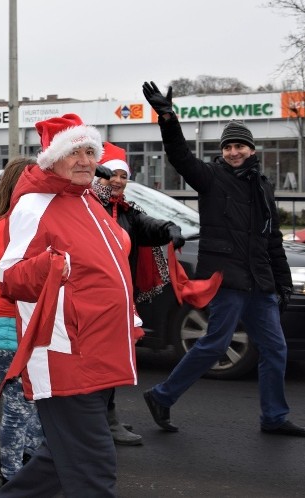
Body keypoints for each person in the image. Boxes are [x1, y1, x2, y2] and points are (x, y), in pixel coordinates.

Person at [140, 81, 305, 437]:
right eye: (229, 146)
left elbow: (273, 240)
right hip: (227, 278)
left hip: (260, 281)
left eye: (240, 146)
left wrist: (282, 283)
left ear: (252, 149)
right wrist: (168, 117)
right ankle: (161, 395)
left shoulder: (263, 186)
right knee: (215, 344)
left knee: (275, 349)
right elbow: (179, 156)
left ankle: (274, 418)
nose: (234, 151)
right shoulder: (211, 178)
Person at [0, 114, 140, 497]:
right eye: (72, 152)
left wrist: (130, 317)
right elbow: (10, 276)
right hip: (64, 353)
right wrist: (50, 264)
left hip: (99, 350)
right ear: (51, 159)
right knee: (94, 469)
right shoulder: (35, 205)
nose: (83, 160)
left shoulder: (90, 201)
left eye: (89, 151)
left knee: (57, 466)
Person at [93, 142, 185, 446]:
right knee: (103, 363)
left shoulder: (125, 211)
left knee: (111, 363)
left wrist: (169, 228)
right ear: (98, 175)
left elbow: (148, 225)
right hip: (93, 300)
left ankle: (102, 417)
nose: (118, 181)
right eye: (111, 175)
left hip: (117, 299)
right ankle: (104, 420)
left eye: (123, 176)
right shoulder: (86, 208)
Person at [0, 157, 43, 485]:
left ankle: (21, 466)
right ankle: (15, 473)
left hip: (3, 325)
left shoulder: (0, 225)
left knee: (28, 402)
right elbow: (17, 281)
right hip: (12, 325)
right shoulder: (16, 226)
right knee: (25, 404)